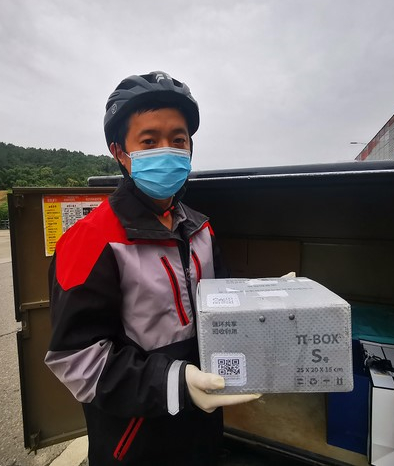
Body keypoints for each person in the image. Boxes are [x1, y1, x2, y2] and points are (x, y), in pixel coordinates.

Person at [45, 71, 259, 466]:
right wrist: (176, 382)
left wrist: (265, 302)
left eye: (178, 140)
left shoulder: (201, 228)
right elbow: (77, 361)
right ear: (120, 152)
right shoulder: (90, 240)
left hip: (202, 426)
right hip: (134, 441)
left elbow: (223, 308)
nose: (168, 150)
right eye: (149, 141)